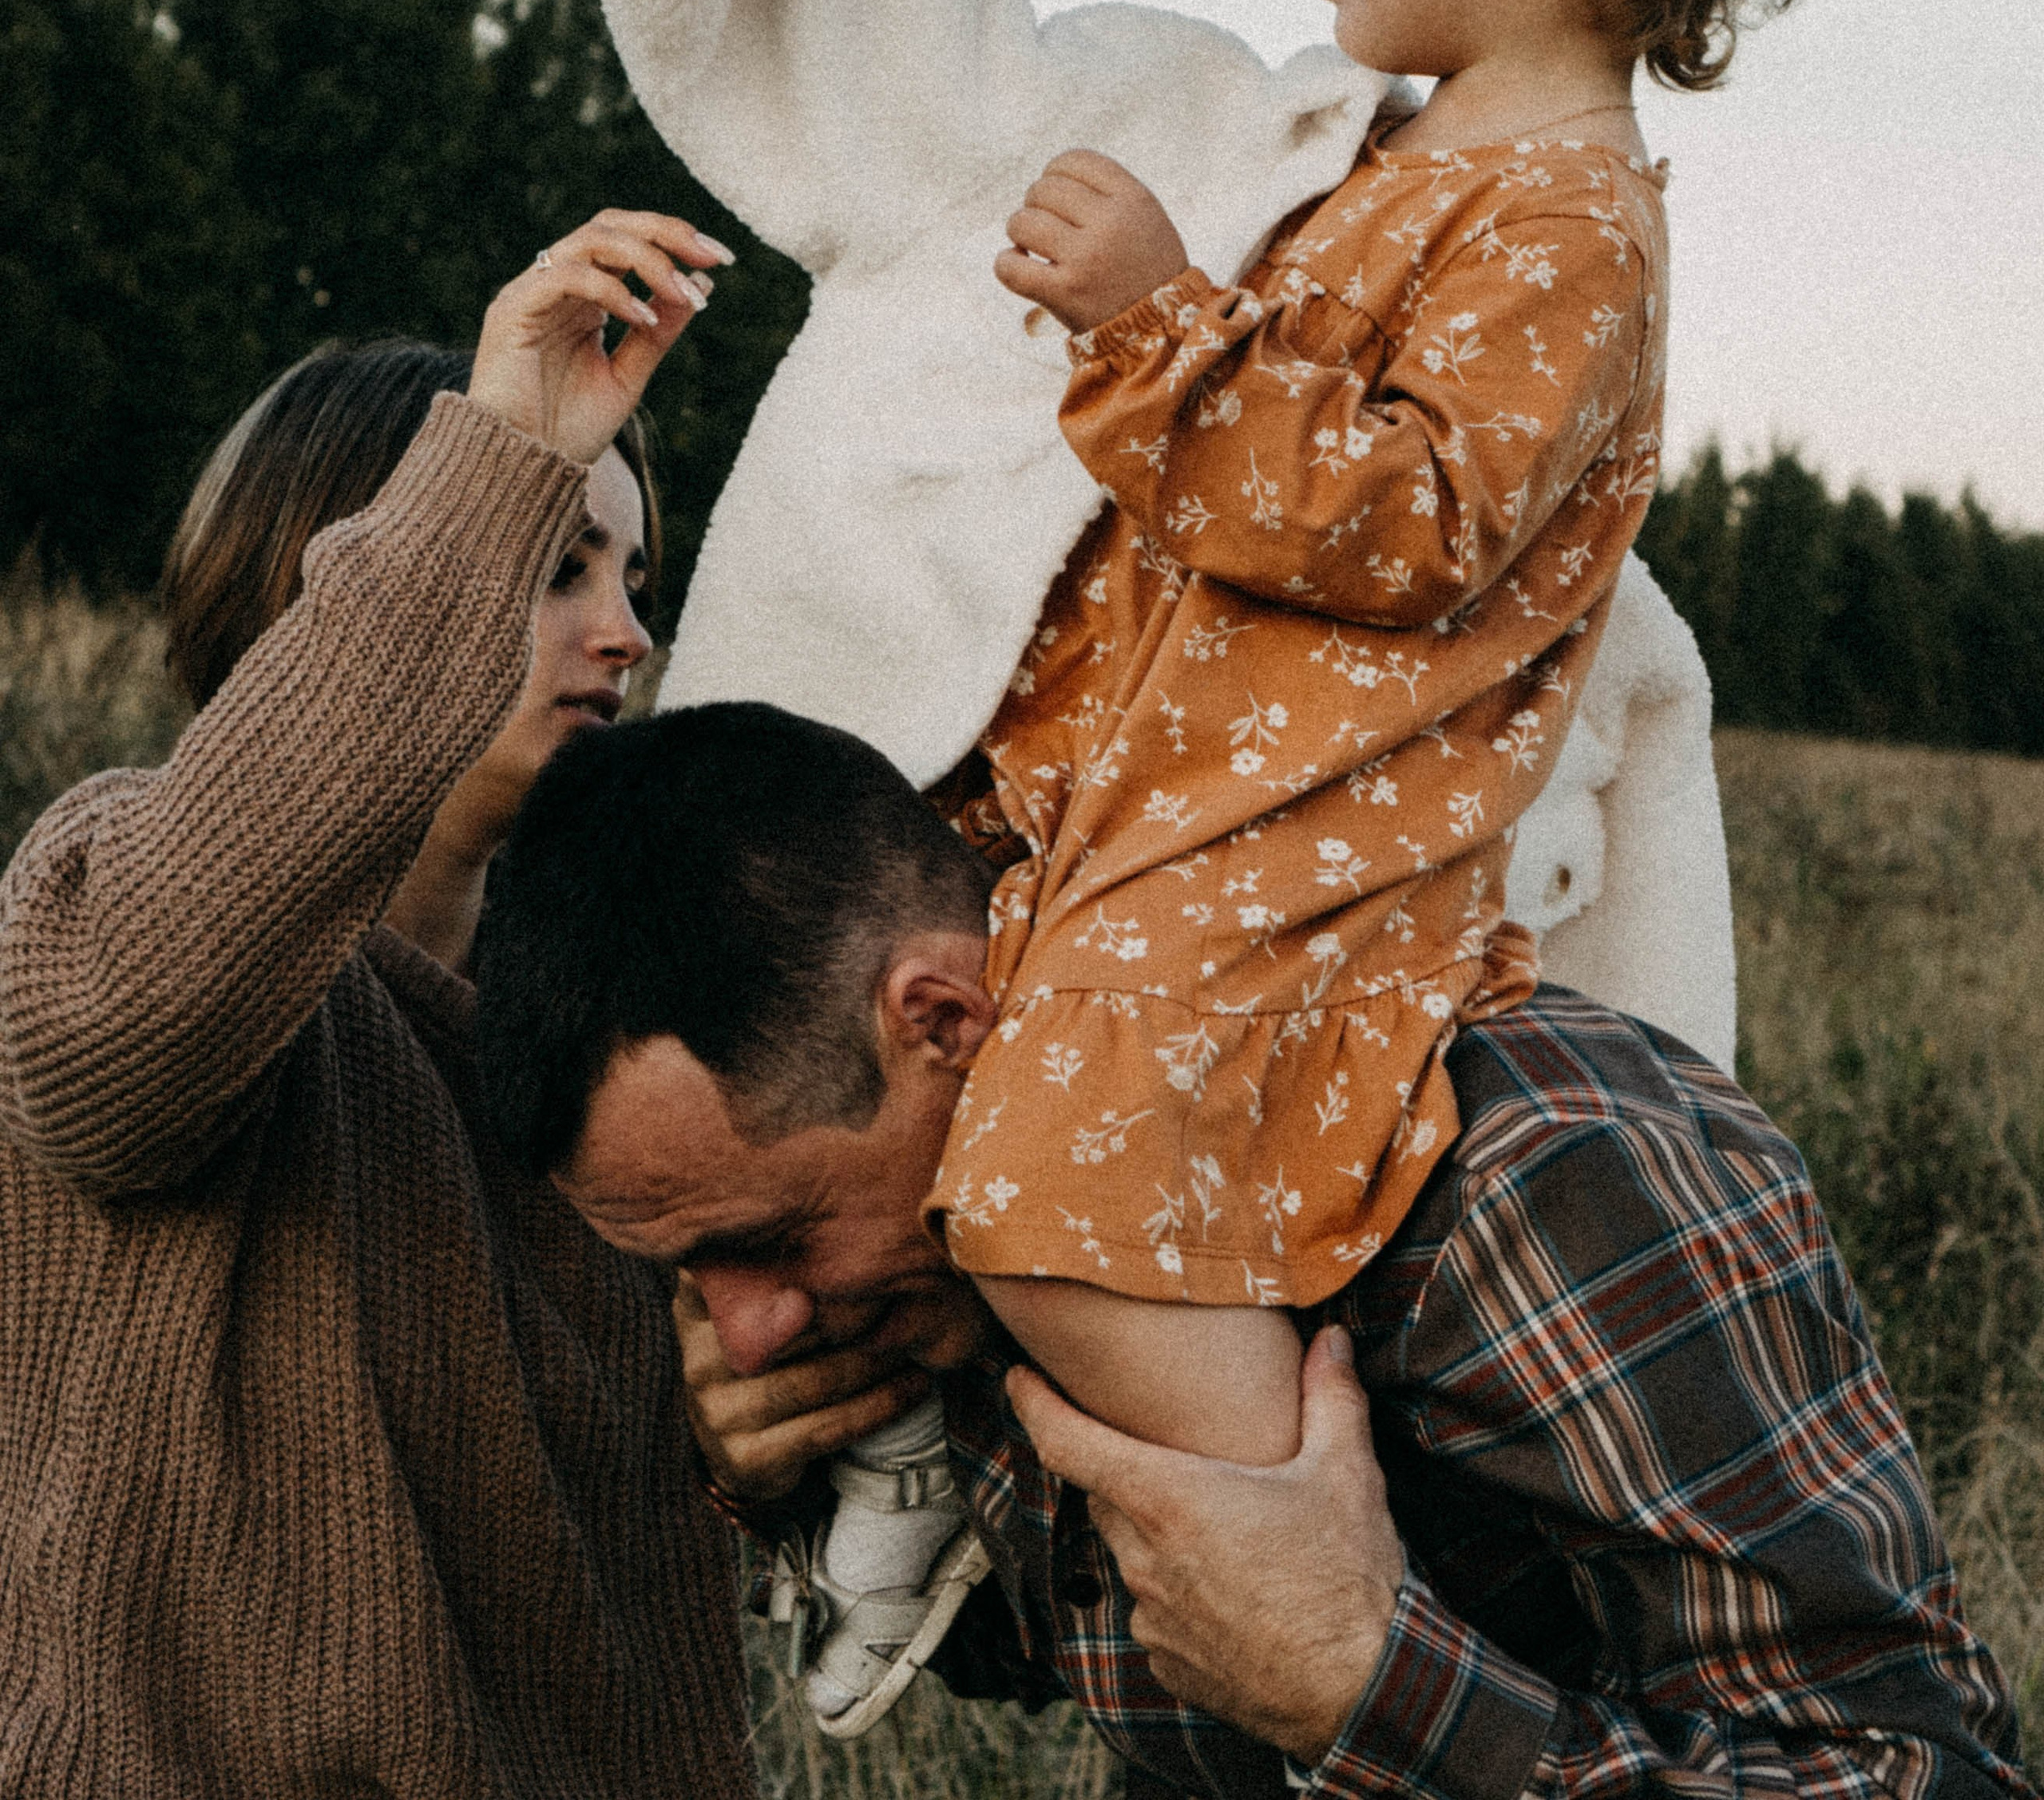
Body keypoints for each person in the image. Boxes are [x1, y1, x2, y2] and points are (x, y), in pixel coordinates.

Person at [714, 0, 1840, 1724]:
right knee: (907, 1090)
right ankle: (964, 1443)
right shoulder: (1414, 167)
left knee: (1048, 1190)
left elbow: (1409, 521)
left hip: (1294, 855)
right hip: (1148, 803)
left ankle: (1250, 1560)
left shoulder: (1570, 222)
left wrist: (1160, 326)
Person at [470, 710, 2031, 1800]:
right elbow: (1096, 1648)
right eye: (687, 1274)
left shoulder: (1531, 1174)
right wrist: (785, 1480)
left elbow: (1918, 1776)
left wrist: (1366, 1686)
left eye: (765, 1238)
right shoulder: (984, 1245)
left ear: (941, 1019)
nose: (741, 1335)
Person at [0, 208, 756, 1798]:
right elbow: (122, 1037)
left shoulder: (603, 1040)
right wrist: (495, 452)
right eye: (555, 566)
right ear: (328, 585)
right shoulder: (110, 893)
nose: (624, 631)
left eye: (635, 574)